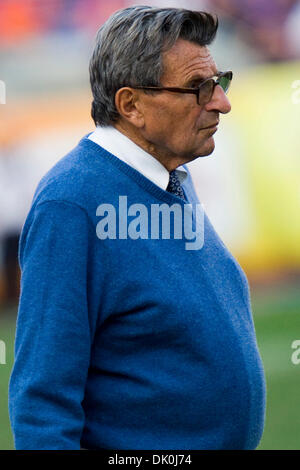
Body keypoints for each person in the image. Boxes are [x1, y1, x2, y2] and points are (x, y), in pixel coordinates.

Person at [8, 6, 266, 450]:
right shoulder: (72, 204)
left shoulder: (168, 175)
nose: (221, 101)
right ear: (131, 105)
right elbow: (42, 400)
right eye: (198, 89)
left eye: (219, 81)